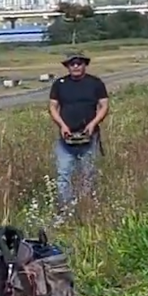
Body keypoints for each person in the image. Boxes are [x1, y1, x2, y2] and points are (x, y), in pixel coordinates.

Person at [47, 53, 109, 213]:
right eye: (72, 64)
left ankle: (87, 207)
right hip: (66, 138)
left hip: (89, 136)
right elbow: (53, 106)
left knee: (88, 174)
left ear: (84, 65)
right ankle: (65, 209)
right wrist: (61, 125)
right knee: (63, 174)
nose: (75, 66)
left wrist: (93, 123)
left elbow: (104, 105)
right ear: (67, 66)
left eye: (79, 63)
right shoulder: (60, 84)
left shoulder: (95, 83)